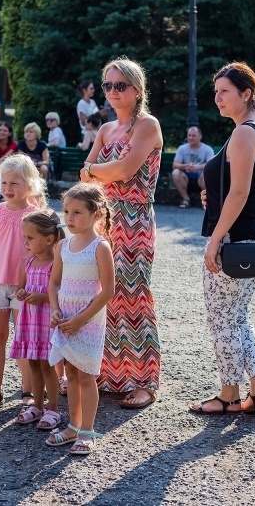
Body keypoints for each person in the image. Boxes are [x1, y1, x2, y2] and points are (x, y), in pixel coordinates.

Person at [189, 61, 255, 415]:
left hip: (234, 240)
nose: (217, 98)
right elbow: (245, 190)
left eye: (224, 91)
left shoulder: (244, 133)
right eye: (215, 91)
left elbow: (240, 194)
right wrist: (213, 193)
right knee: (238, 316)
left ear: (247, 93)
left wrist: (215, 240)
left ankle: (228, 394)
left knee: (221, 318)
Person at [80, 57, 162, 410]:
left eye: (121, 85)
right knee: (100, 295)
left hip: (135, 220)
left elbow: (126, 170)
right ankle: (104, 373)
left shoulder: (147, 125)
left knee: (132, 294)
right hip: (103, 219)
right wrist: (101, 171)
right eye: (108, 86)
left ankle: (145, 380)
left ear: (137, 89)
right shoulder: (105, 129)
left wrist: (97, 171)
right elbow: (88, 174)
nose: (113, 92)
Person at [0, 154, 47, 413]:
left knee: (23, 339)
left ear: (29, 184)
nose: (8, 189)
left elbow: (45, 254)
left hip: (24, 288)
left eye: (14, 183)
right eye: (4, 183)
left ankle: (27, 391)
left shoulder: (36, 214)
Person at [47, 183, 115, 455]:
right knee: (70, 375)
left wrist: (81, 319)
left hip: (88, 322)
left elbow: (108, 291)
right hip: (65, 320)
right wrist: (54, 309)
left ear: (96, 214)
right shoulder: (63, 245)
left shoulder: (101, 247)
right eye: (66, 212)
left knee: (86, 376)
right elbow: (54, 283)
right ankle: (73, 426)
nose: (69, 218)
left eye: (77, 213)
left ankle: (87, 430)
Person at [11, 208, 66, 430]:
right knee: (33, 364)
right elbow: (20, 288)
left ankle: (53, 408)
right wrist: (21, 293)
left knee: (46, 365)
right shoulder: (29, 263)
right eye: (25, 237)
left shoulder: (57, 264)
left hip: (45, 323)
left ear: (49, 238)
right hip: (29, 322)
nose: (26, 242)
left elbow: (60, 294)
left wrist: (41, 297)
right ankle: (38, 406)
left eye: (30, 238)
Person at [172, 126, 214, 208]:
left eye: (194, 136)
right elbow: (175, 165)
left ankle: (205, 201)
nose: (191, 138)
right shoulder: (182, 148)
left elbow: (211, 165)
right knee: (175, 172)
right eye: (189, 135)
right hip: (185, 177)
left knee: (208, 173)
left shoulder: (208, 149)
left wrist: (195, 167)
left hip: (201, 177)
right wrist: (185, 166)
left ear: (200, 136)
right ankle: (185, 199)